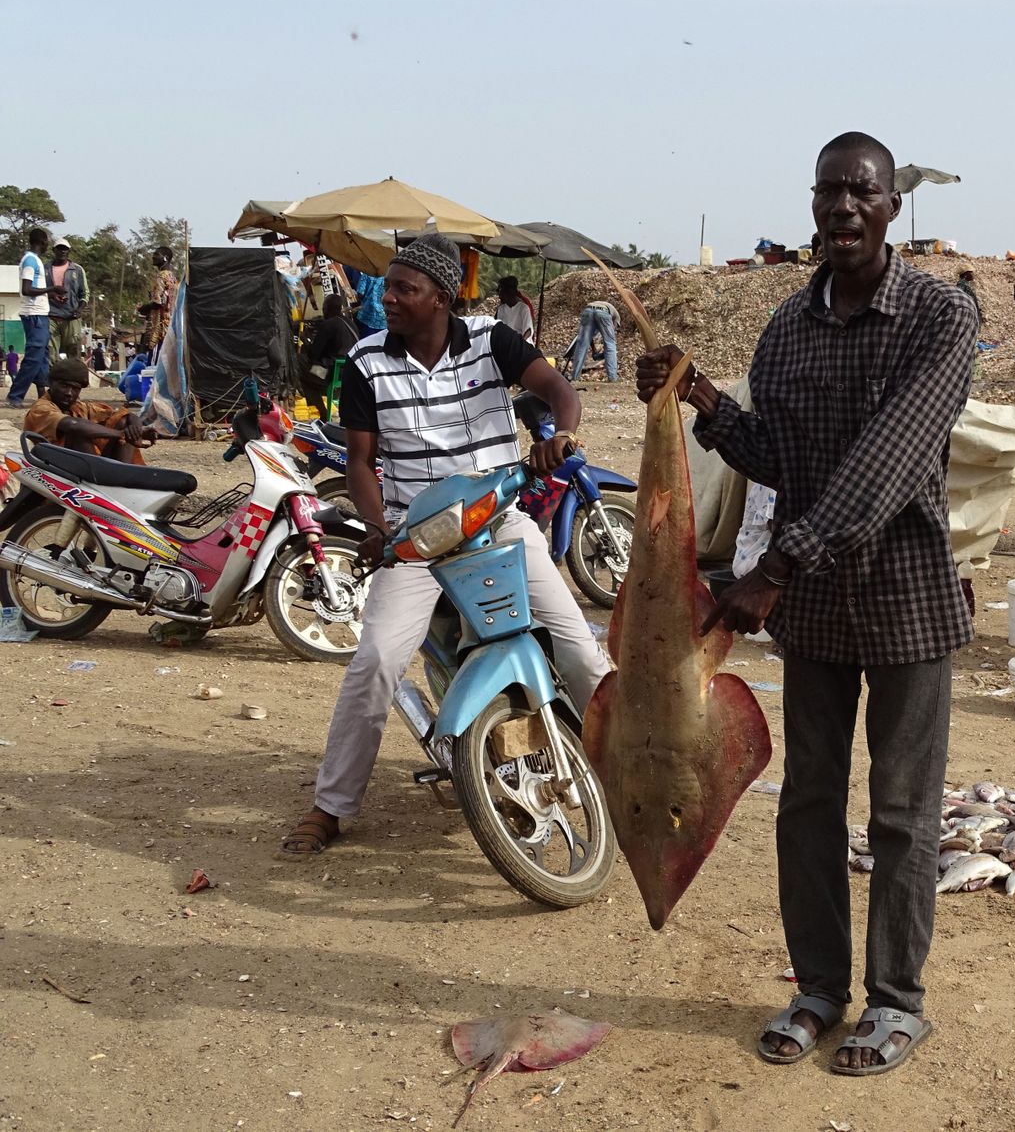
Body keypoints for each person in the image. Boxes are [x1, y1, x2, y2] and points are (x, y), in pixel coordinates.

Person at [635, 131, 978, 1076]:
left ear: (892, 204)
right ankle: (821, 987)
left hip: (906, 601)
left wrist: (775, 567)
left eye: (861, 192)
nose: (842, 209)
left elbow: (887, 467)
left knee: (904, 811)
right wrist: (699, 396)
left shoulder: (939, 321)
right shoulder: (787, 327)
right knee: (810, 804)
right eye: (828, 192)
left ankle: (897, 1000)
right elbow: (784, 459)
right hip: (817, 614)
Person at [279, 233, 611, 858]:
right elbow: (359, 461)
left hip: (499, 521)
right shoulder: (368, 362)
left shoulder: (491, 339)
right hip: (417, 538)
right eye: (390, 287)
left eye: (405, 289)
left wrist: (560, 436)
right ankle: (331, 806)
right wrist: (380, 529)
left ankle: (627, 773)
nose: (391, 299)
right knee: (374, 659)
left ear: (441, 297)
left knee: (580, 648)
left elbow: (561, 391)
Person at [22, 356, 156, 463]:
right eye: (64, 386)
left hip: (79, 463)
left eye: (75, 389)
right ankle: (102, 479)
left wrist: (136, 429)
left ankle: (122, 476)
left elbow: (125, 415)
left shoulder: (77, 407)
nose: (69, 393)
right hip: (52, 466)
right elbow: (73, 425)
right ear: (51, 383)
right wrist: (121, 434)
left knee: (123, 421)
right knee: (78, 431)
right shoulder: (41, 408)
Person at [8, 228, 53, 405]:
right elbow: (27, 289)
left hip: (40, 313)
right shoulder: (30, 261)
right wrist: (52, 289)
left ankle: (43, 395)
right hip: (34, 314)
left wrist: (51, 294)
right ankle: (15, 395)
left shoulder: (35, 261)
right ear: (42, 242)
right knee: (34, 356)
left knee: (43, 356)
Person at [299, 293, 361, 411]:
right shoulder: (351, 323)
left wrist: (305, 342)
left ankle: (319, 412)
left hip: (331, 373)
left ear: (326, 308)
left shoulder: (328, 324)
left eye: (324, 308)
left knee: (300, 366)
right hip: (351, 371)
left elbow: (313, 354)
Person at [45, 239, 89, 367]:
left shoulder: (77, 270)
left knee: (73, 351)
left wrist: (79, 310)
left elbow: (85, 293)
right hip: (51, 316)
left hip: (71, 317)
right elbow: (40, 291)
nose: (62, 251)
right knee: (50, 352)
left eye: (65, 249)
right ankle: (52, 383)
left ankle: (73, 382)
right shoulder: (45, 269)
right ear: (54, 250)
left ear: (69, 251)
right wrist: (51, 296)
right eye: (59, 248)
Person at [137, 246, 178, 355]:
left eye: (156, 254)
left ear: (165, 258)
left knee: (154, 361)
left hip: (158, 328)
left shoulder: (161, 277)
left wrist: (143, 308)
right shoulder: (172, 277)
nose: (153, 257)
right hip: (170, 325)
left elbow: (157, 302)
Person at [570, 299, 619, 382]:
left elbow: (589, 338)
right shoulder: (617, 317)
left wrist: (594, 351)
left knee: (582, 344)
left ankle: (575, 377)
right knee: (610, 344)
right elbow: (610, 339)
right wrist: (603, 353)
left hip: (587, 310)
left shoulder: (604, 306)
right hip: (604, 312)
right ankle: (612, 378)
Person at [495, 276, 536, 343]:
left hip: (523, 345)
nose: (499, 296)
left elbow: (528, 331)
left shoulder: (523, 308)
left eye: (500, 291)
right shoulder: (501, 309)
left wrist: (519, 345)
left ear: (509, 292)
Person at [352, 271, 387, 335]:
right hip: (383, 319)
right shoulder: (388, 276)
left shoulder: (367, 274)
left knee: (366, 342)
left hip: (366, 316)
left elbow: (360, 293)